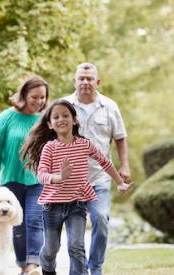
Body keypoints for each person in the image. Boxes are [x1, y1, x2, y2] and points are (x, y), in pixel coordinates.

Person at [21, 100, 131, 275]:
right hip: (52, 206)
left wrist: (119, 182)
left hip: (77, 204)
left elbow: (104, 162)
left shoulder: (84, 144)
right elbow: (41, 175)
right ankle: (47, 270)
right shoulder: (50, 148)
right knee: (51, 249)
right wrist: (58, 177)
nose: (61, 119)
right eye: (56, 117)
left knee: (76, 246)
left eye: (65, 115)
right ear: (50, 125)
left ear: (75, 120)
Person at [64, 62, 132, 275]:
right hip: (71, 181)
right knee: (74, 235)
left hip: (100, 178)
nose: (85, 82)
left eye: (89, 78)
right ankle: (78, 271)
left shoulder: (109, 106)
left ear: (97, 82)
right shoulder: (64, 105)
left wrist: (125, 166)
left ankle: (96, 267)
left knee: (101, 219)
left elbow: (120, 138)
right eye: (81, 78)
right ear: (74, 81)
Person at [0, 76, 49, 275]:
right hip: (11, 179)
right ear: (24, 95)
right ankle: (23, 264)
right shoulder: (7, 116)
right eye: (35, 97)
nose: (39, 102)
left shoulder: (44, 120)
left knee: (34, 220)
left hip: (37, 180)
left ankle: (33, 264)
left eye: (42, 98)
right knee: (18, 225)